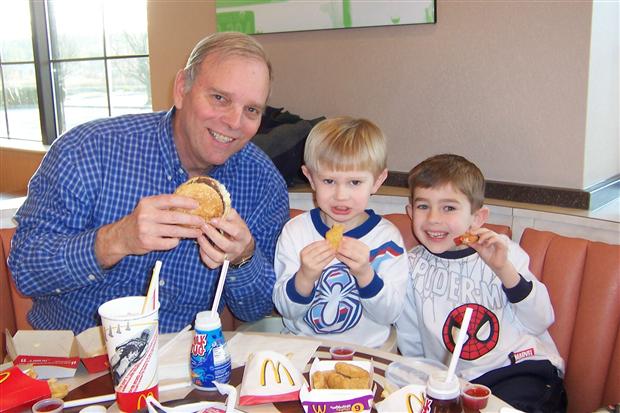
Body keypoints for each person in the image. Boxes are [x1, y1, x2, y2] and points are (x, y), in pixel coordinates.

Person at [8, 32, 289, 334]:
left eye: (251, 110)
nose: (234, 122)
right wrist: (116, 239)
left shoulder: (262, 183)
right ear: (182, 89)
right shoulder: (87, 150)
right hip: (74, 360)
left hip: (183, 366)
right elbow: (26, 268)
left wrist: (242, 258)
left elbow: (257, 309)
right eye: (220, 98)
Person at [396, 154, 567, 412]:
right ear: (410, 212)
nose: (433, 219)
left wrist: (503, 270)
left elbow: (540, 320)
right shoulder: (409, 267)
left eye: (449, 207)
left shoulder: (504, 252)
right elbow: (412, 346)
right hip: (456, 384)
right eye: (423, 206)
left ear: (477, 218)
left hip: (519, 370)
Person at [272, 117, 408, 348]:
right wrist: (305, 276)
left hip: (368, 353)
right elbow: (286, 310)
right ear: (310, 178)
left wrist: (366, 274)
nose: (341, 195)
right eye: (329, 181)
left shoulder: (387, 240)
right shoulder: (295, 232)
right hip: (303, 348)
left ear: (377, 181)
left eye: (355, 182)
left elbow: (390, 315)